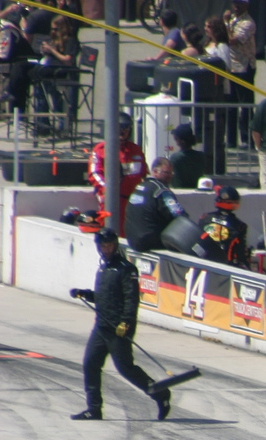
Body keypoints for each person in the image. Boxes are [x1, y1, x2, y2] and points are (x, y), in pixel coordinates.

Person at [66, 229, 171, 422]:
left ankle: (161, 394)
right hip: (101, 327)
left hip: (119, 328)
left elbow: (132, 300)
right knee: (90, 364)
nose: (107, 249)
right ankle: (94, 409)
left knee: (126, 369)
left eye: (110, 246)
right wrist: (83, 293)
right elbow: (102, 297)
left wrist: (126, 323)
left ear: (116, 245)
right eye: (103, 246)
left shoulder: (126, 269)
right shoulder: (103, 268)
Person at [90, 112, 147, 222]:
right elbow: (94, 174)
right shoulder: (101, 150)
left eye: (126, 128)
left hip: (132, 202)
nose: (123, 132)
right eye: (120, 128)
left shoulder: (136, 150)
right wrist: (107, 188)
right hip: (111, 200)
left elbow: (143, 174)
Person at [123, 158, 188, 253]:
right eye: (166, 173)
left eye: (171, 173)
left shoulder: (140, 187)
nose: (170, 176)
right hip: (151, 242)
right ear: (155, 171)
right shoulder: (161, 190)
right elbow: (178, 215)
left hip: (133, 241)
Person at [224, 0, 256, 81]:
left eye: (240, 3)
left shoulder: (248, 23)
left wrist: (226, 23)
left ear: (246, 5)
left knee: (243, 93)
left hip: (243, 67)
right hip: (231, 64)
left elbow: (232, 41)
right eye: (235, 3)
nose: (236, 6)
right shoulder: (232, 18)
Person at [168, 123, 205, 188]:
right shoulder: (201, 156)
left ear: (180, 141)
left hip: (180, 191)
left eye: (176, 138)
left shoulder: (175, 158)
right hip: (197, 190)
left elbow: (174, 180)